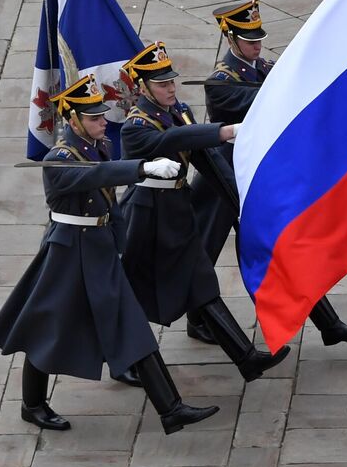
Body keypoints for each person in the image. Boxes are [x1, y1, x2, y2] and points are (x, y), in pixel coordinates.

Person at [0, 75, 220, 435]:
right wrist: (142, 168)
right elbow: (98, 176)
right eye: (93, 118)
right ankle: (32, 404)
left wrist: (118, 240)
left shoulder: (95, 144)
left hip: (97, 249)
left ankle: (170, 409)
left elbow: (107, 197)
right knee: (49, 328)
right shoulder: (60, 158)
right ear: (73, 120)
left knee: (131, 325)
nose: (102, 122)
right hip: (68, 254)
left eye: (101, 116)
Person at [190, 0, 347, 348]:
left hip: (257, 178)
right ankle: (197, 319)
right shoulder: (220, 83)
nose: (257, 46)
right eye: (249, 40)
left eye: (259, 39)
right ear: (231, 40)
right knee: (203, 251)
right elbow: (270, 101)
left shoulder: (267, 68)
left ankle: (328, 324)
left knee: (283, 245)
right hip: (222, 176)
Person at [120, 41, 289, 380]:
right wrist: (224, 131)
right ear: (143, 87)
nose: (170, 89)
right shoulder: (136, 127)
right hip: (145, 219)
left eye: (171, 82)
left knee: (198, 282)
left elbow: (205, 159)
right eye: (161, 84)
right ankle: (123, 361)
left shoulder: (177, 110)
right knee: (129, 292)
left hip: (172, 215)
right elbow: (176, 141)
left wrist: (239, 199)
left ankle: (246, 359)